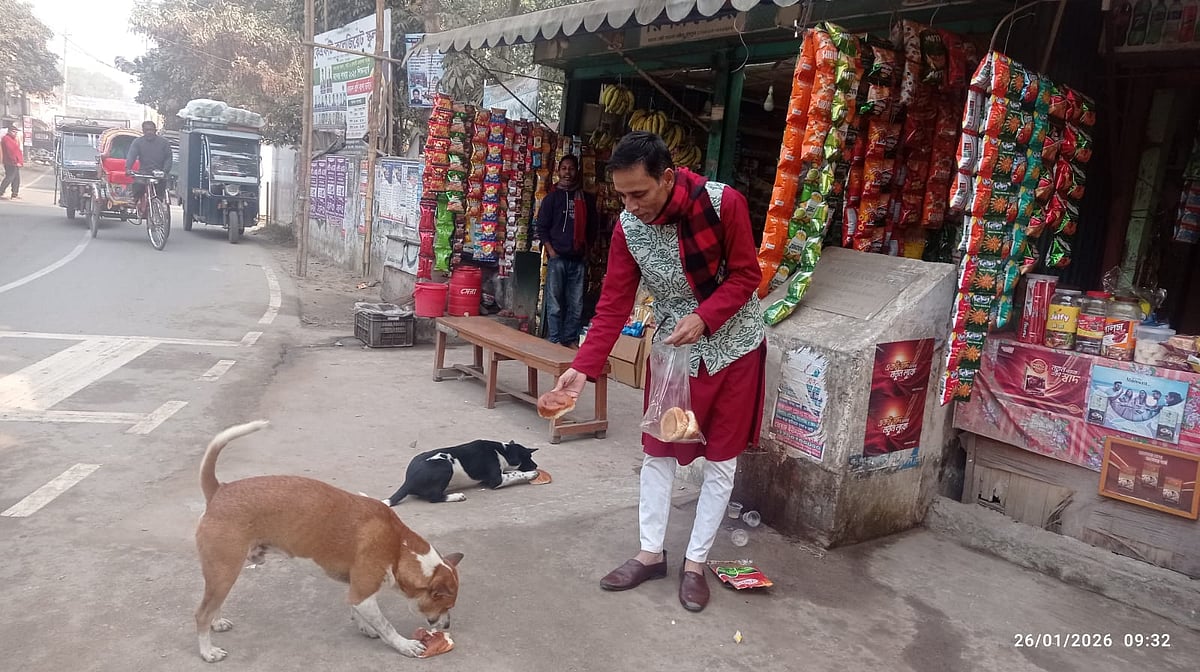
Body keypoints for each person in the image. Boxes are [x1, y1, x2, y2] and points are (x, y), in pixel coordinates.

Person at [550, 132, 767, 612]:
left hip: (734, 350)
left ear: (668, 178)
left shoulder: (721, 204)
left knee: (720, 459)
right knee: (660, 450)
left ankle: (695, 563)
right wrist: (582, 369)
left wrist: (706, 315)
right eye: (622, 194)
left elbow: (748, 276)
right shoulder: (629, 228)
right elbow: (613, 303)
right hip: (674, 356)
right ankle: (651, 553)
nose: (630, 205)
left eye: (639, 193)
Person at [536, 154, 598, 346]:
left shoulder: (586, 199)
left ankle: (569, 338)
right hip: (557, 258)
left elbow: (593, 228)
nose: (568, 173)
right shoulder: (552, 199)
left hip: (577, 259)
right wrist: (551, 251)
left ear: (577, 171)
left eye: (571, 169)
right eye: (564, 169)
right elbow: (541, 228)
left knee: (576, 304)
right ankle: (554, 340)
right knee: (554, 303)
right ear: (558, 171)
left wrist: (587, 251)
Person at [125, 120, 173, 217]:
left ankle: (158, 206)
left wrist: (165, 171)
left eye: (151, 130)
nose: (149, 132)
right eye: (147, 130)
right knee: (138, 184)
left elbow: (168, 158)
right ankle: (134, 200)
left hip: (160, 173)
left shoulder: (164, 142)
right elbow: (132, 156)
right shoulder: (138, 142)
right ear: (143, 131)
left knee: (160, 192)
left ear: (155, 130)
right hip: (144, 172)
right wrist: (128, 168)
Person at [0, 124, 24, 199]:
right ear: (9, 131)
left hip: (14, 161)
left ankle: (14, 193)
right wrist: (15, 161)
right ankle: (1, 191)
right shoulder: (7, 139)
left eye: (16, 132)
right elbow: (11, 152)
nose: (15, 133)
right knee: (10, 177)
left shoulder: (13, 139)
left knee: (16, 178)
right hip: (10, 162)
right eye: (13, 132)